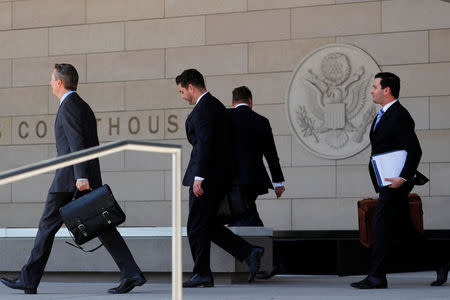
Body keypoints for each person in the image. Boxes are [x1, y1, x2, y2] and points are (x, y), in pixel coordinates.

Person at [0, 64, 146, 294]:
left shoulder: (69, 107)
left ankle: (28, 279)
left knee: (46, 227)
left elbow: (77, 144)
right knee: (102, 225)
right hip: (80, 178)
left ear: (59, 82)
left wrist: (80, 178)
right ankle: (132, 273)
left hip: (70, 180)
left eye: (51, 79)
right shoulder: (82, 105)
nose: (49, 83)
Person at [351, 72, 448, 289]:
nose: (371, 90)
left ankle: (377, 276)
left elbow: (415, 150)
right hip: (387, 181)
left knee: (380, 223)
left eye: (375, 86)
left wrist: (402, 178)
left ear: (387, 90)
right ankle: (441, 261)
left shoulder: (400, 115)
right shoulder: (385, 114)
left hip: (396, 184)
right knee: (405, 230)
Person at [176, 69, 264, 288]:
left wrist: (199, 177)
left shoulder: (205, 108)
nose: (182, 96)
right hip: (214, 175)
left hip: (206, 177)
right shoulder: (213, 105)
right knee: (207, 225)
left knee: (195, 225)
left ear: (191, 87)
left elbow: (206, 144)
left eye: (181, 91)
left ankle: (202, 273)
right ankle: (249, 252)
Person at [226, 86, 285, 227]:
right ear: (250, 101)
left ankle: (249, 245)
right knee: (244, 213)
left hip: (229, 178)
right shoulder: (262, 121)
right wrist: (278, 182)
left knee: (240, 214)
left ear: (233, 102)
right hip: (253, 179)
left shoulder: (224, 117)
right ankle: (252, 244)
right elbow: (271, 154)